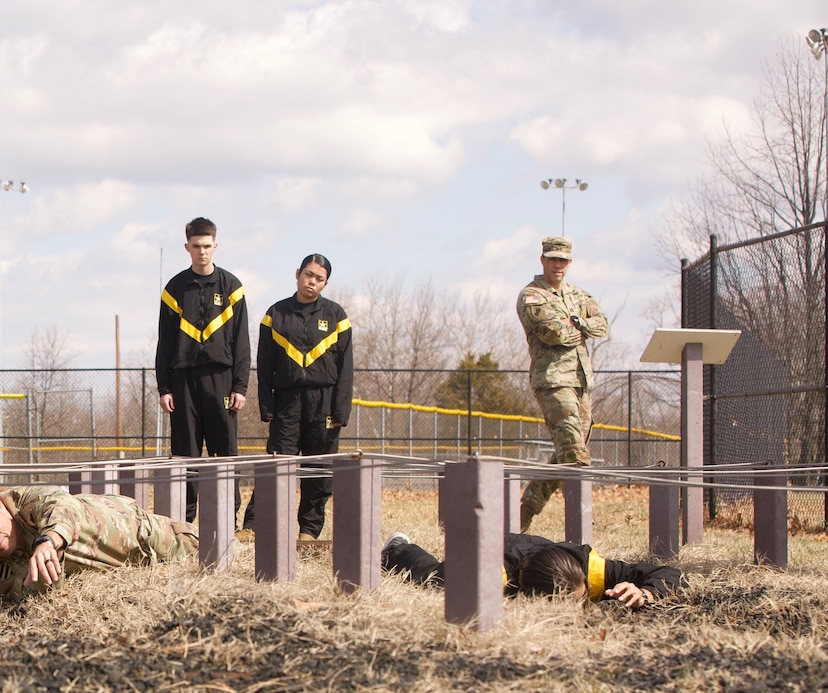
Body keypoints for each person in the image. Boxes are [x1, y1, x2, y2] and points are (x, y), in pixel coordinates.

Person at [241, 253, 353, 541]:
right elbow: (264, 366)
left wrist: (340, 412)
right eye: (309, 275)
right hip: (287, 403)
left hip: (324, 403)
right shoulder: (275, 314)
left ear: (325, 283)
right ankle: (254, 526)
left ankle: (309, 532)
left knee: (319, 471)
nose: (312, 282)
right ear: (297, 274)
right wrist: (267, 406)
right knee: (276, 466)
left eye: (319, 279)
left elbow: (346, 369)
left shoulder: (337, 317)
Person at [155, 217, 250, 524]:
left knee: (225, 451)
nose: (202, 252)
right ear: (187, 247)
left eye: (207, 246)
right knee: (185, 455)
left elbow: (242, 343)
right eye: (196, 246)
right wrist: (164, 387)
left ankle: (227, 518)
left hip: (221, 380)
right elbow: (165, 343)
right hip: (183, 382)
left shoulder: (232, 288)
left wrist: (240, 386)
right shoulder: (174, 289)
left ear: (215, 246)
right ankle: (183, 522)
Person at [0, 486, 197, 600]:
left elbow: (63, 506)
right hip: (113, 560)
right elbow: (27, 591)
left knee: (214, 546)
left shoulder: (27, 499)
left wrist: (48, 542)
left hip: (138, 532)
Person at [516, 236, 609, 531]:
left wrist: (577, 324)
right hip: (553, 380)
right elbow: (552, 333)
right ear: (542, 260)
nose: (558, 265)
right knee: (575, 455)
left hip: (580, 381)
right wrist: (580, 327)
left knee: (569, 452)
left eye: (564, 260)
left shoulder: (578, 295)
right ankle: (581, 529)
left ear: (570, 263)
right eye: (553, 259)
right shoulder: (532, 296)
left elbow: (602, 325)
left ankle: (522, 514)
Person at [379, 532, 682, 607]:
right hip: (487, 549)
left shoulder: (592, 570)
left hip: (533, 551)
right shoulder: (490, 578)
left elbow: (671, 574)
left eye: (582, 598)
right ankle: (398, 549)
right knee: (433, 579)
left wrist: (645, 591)